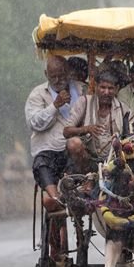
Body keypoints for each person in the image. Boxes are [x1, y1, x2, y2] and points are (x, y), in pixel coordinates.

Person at [25, 55, 85, 210]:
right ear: (46, 75)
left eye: (62, 76)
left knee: (76, 144)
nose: (58, 80)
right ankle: (55, 198)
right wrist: (54, 106)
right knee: (41, 163)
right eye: (54, 77)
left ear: (68, 72)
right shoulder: (37, 94)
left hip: (74, 152)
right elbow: (34, 123)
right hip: (48, 152)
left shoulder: (82, 89)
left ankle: (74, 186)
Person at [63, 71, 131, 173]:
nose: (106, 92)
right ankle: (88, 177)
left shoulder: (123, 109)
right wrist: (86, 129)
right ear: (96, 87)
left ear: (117, 89)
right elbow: (66, 131)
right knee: (73, 143)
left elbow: (133, 135)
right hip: (88, 160)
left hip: (115, 161)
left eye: (110, 88)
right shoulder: (84, 102)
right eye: (103, 87)